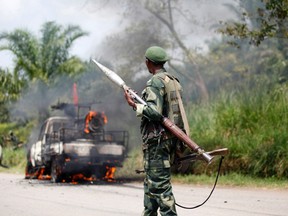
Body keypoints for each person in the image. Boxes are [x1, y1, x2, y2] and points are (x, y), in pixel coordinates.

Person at [124, 46, 187, 216]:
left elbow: (154, 112)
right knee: (151, 185)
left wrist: (134, 104)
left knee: (160, 186)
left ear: (148, 62)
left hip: (158, 143)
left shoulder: (155, 82)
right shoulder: (172, 80)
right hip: (170, 139)